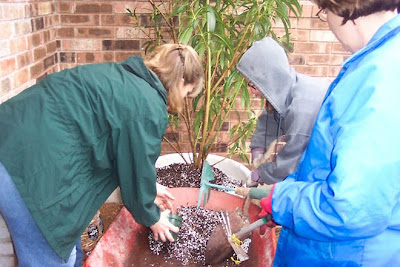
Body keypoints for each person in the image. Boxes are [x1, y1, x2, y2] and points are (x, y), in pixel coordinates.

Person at [0, 43, 204, 266]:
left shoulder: (120, 78)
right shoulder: (149, 107)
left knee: (63, 248)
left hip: (10, 139)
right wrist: (153, 217)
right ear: (182, 81)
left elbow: (126, 155)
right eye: (188, 93)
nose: (183, 100)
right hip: (30, 172)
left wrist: (150, 188)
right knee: (52, 255)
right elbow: (136, 168)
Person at [259, 1, 400, 265]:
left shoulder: (379, 79)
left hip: (346, 254)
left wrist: (283, 201)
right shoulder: (380, 59)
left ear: (345, 9)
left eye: (323, 11)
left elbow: (351, 207)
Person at [236, 37, 329, 185]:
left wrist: (262, 175)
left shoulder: (301, 108)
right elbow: (270, 117)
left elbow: (292, 160)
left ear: (269, 79)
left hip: (326, 170)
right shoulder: (286, 88)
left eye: (252, 85)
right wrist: (258, 149)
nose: (252, 92)